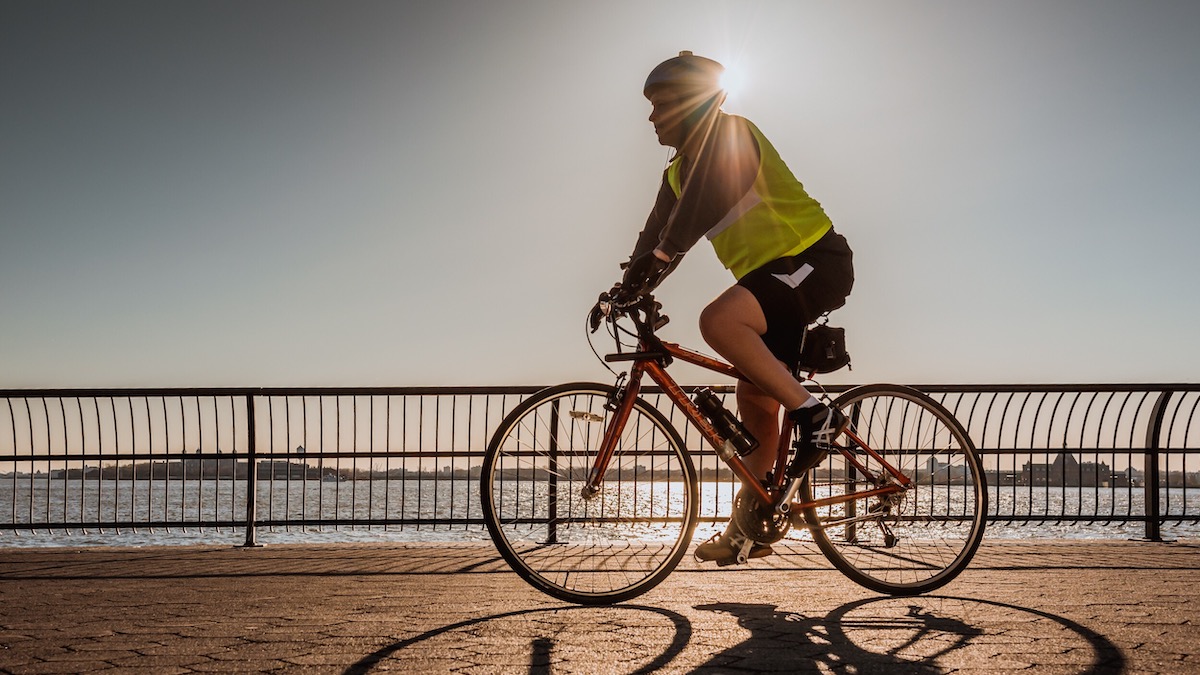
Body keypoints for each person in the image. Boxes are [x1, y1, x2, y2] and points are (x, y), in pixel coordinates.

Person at [610, 51, 856, 565]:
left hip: (811, 259)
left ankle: (816, 414)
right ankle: (751, 531)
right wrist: (626, 284)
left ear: (692, 103)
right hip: (769, 284)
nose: (651, 117)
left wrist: (663, 255)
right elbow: (655, 232)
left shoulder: (730, 135)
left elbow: (705, 201)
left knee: (718, 320)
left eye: (660, 104)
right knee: (758, 413)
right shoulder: (677, 173)